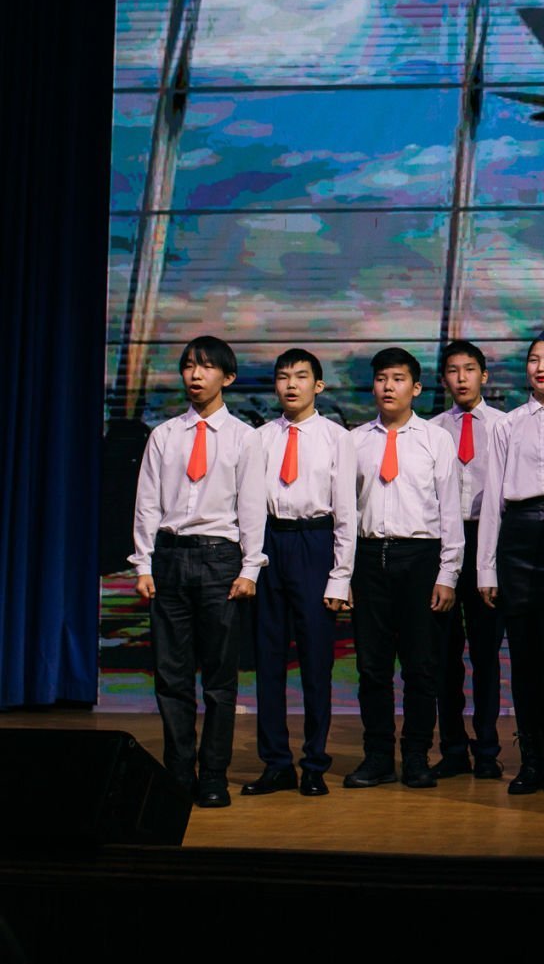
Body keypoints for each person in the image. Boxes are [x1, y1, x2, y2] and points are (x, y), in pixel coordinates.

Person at [130, 336, 267, 808]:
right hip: (170, 557)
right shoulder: (164, 435)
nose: (195, 374)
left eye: (206, 367)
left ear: (227, 377)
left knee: (219, 680)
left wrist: (250, 567)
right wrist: (143, 563)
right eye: (189, 365)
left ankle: (212, 775)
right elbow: (147, 504)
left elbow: (252, 508)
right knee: (171, 676)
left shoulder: (244, 437)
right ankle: (177, 773)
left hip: (219, 559)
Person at [345, 347, 463, 790]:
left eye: (398, 379)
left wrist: (448, 574)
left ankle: (416, 755)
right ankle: (377, 756)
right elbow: (345, 513)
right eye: (381, 379)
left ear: (416, 388)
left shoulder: (436, 439)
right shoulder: (354, 441)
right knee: (372, 667)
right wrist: (344, 573)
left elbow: (450, 511)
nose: (388, 387)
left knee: (421, 666)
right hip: (369, 557)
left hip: (420, 558)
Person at [242, 348, 355, 799]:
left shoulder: (336, 437)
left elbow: (346, 511)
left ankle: (314, 763)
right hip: (271, 542)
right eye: (283, 377)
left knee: (315, 662)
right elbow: (250, 505)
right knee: (268, 659)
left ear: (318, 386)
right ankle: (276, 763)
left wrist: (341, 575)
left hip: (315, 542)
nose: (291, 385)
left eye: (301, 376)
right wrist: (250, 562)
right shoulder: (260, 438)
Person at [478, 326, 544, 795]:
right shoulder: (507, 424)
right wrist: (486, 567)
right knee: (523, 658)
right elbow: (493, 499)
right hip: (517, 537)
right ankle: (531, 758)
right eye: (534, 360)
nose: (541, 368)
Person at [429, 340, 506, 779]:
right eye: (453, 370)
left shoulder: (503, 426)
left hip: (486, 540)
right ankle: (453, 748)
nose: (461, 378)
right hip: (443, 542)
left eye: (469, 369)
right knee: (444, 654)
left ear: (484, 376)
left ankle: (488, 749)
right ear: (444, 379)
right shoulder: (432, 430)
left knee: (486, 653)